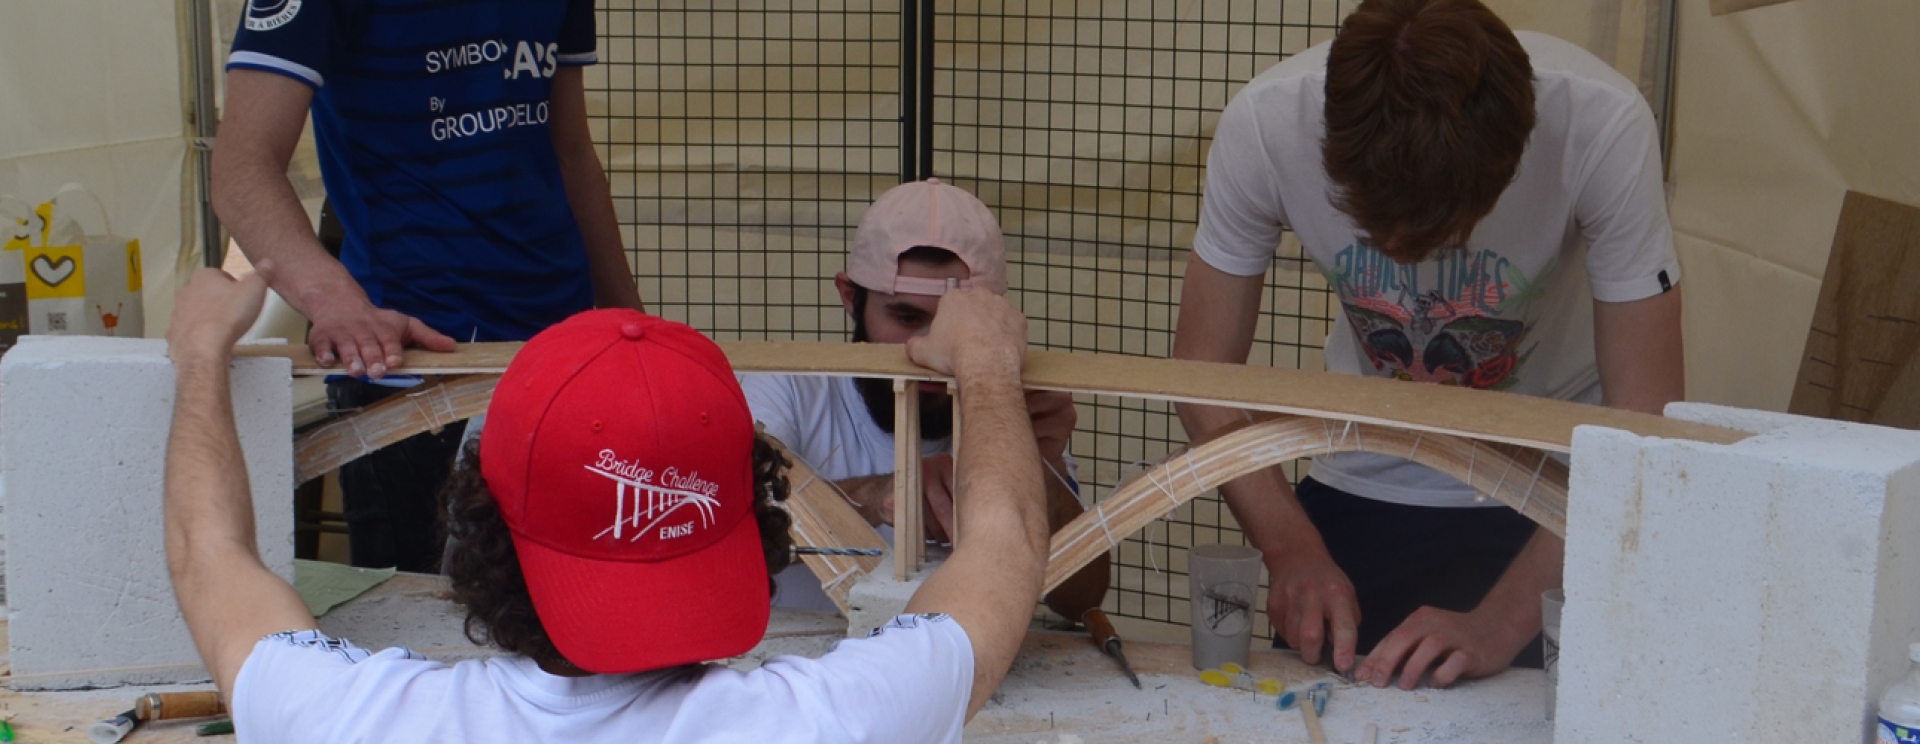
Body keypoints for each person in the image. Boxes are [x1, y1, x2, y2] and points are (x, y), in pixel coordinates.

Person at [164, 262, 1054, 743]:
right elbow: (1002, 549)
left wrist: (203, 355)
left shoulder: (364, 719)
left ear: (480, 526)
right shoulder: (826, 720)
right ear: (755, 525)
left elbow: (210, 555)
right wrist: (984, 368)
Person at [1173, 0, 1683, 689]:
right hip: (1366, 479)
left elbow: (1645, 419)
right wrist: (1290, 548)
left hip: (1556, 503)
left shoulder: (1601, 123)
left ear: (1514, 152)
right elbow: (1202, 377)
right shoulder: (1267, 126)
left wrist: (1499, 624)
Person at [212, 0, 645, 571]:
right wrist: (336, 302)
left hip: (560, 357)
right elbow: (241, 167)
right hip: (418, 364)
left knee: (573, 611)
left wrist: (633, 326)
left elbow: (570, 153)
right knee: (424, 629)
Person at [739, 179, 1110, 622]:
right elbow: (732, 542)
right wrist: (876, 498)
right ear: (850, 298)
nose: (934, 347)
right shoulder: (786, 386)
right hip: (801, 675)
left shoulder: (1011, 401)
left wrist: (1038, 475)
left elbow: (1082, 598)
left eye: (960, 325)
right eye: (907, 317)